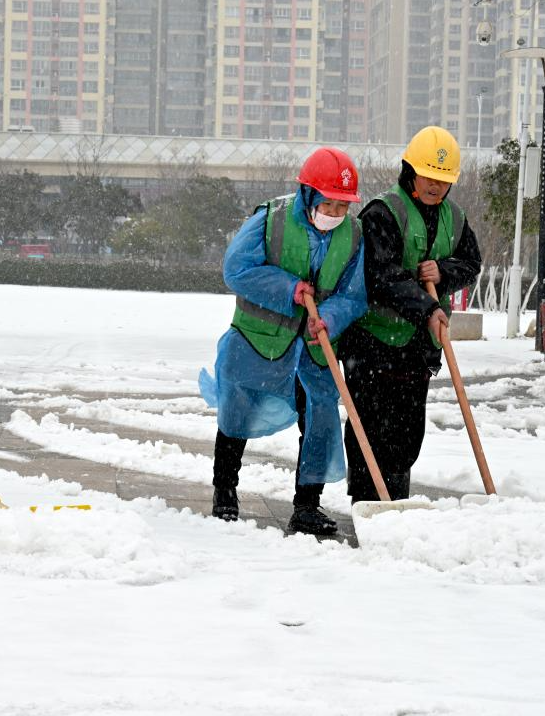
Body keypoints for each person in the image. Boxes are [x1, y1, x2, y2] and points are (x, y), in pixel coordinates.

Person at [199, 147, 367, 536]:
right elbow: (236, 270)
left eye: (344, 207)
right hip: (256, 339)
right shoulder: (269, 220)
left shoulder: (352, 235)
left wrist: (329, 316)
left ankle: (307, 505)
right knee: (236, 410)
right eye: (329, 205)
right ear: (308, 195)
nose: (336, 215)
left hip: (313, 346)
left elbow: (353, 294)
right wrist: (288, 288)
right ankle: (225, 490)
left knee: (320, 418)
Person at [339, 126, 482, 504]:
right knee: (369, 424)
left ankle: (397, 498)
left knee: (405, 428)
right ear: (409, 170)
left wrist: (444, 272)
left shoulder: (455, 217)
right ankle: (366, 499)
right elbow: (381, 275)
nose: (436, 186)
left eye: (444, 180)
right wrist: (428, 305)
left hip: (417, 348)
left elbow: (471, 263)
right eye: (429, 176)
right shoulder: (383, 212)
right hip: (372, 342)